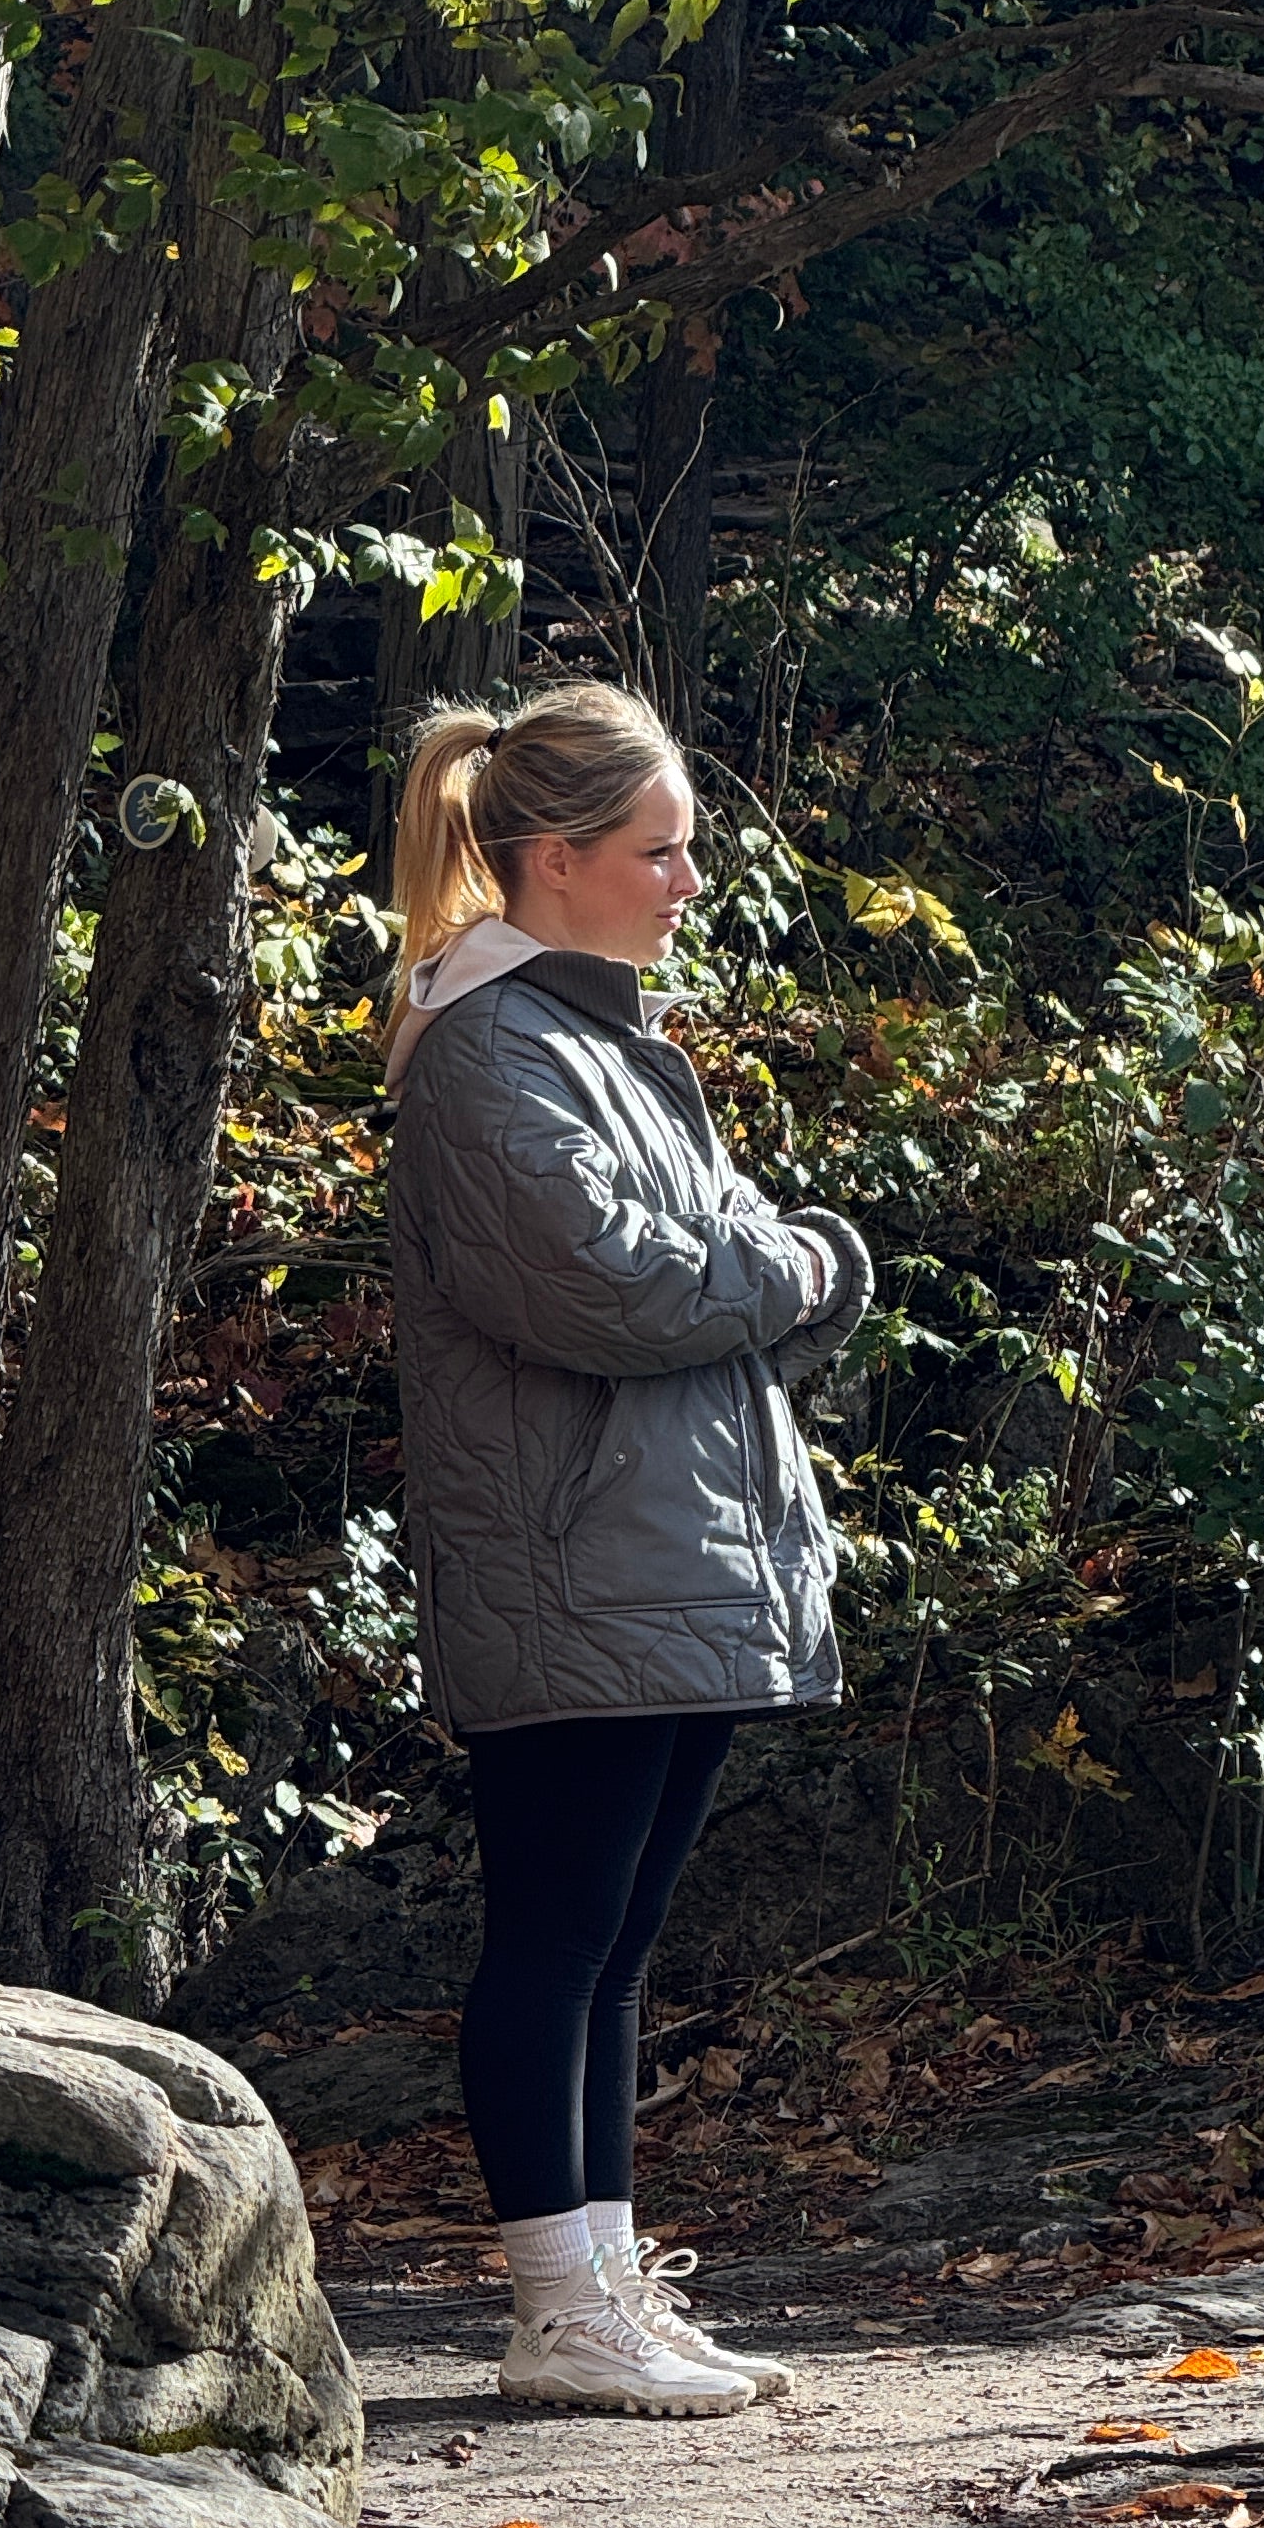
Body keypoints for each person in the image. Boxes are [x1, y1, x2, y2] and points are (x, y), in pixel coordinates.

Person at [384, 682, 873, 2416]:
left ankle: (602, 2281)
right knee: (554, 1929)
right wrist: (800, 1266)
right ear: (553, 857)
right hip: (572, 1562)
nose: (686, 878)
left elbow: (712, 1263)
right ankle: (551, 2306)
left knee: (617, 1934)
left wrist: (764, 1270)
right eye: (657, 851)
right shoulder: (485, 1056)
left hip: (665, 1556)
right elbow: (623, 1286)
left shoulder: (606, 1045)